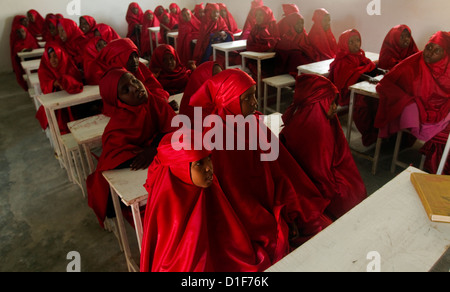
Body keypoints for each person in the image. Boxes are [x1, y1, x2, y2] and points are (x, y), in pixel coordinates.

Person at [189, 69, 332, 263]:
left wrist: (286, 210)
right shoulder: (215, 137)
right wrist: (272, 222)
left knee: (315, 223)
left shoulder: (253, 122)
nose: (255, 103)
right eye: (247, 98)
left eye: (254, 96)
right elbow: (236, 196)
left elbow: (275, 170)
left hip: (266, 197)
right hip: (244, 212)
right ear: (227, 100)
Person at [140, 130, 270, 272]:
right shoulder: (166, 205)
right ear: (180, 167)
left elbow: (229, 236)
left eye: (209, 158)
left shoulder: (210, 187)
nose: (209, 168)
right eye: (199, 164)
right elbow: (171, 262)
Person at [86, 68, 177, 227]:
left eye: (134, 80)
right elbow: (117, 158)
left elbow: (173, 128)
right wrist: (154, 148)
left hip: (148, 161)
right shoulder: (118, 126)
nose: (136, 88)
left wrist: (154, 149)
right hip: (117, 180)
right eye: (126, 90)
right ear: (119, 101)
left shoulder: (154, 102)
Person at [280, 74, 367, 220]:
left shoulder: (325, 119)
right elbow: (321, 178)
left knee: (355, 188)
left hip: (328, 173)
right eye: (332, 103)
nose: (336, 107)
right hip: (314, 182)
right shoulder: (314, 129)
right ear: (319, 104)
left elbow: (341, 153)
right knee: (348, 199)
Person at [375, 31, 450, 174]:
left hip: (442, 109)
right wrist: (408, 100)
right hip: (420, 112)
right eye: (429, 47)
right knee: (444, 137)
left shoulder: (448, 68)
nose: (429, 53)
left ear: (445, 53)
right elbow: (387, 82)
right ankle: (435, 172)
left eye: (437, 50)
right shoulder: (414, 62)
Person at [329, 29, 383, 146]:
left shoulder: (360, 55)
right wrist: (367, 78)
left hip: (359, 89)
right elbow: (350, 76)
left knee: (377, 100)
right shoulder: (342, 60)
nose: (356, 44)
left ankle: (377, 132)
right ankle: (369, 135)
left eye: (357, 40)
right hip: (346, 93)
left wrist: (379, 71)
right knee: (363, 103)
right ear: (344, 44)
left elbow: (370, 66)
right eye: (351, 42)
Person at [95, 38, 170, 105]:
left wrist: (162, 101)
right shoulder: (112, 81)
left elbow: (156, 88)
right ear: (117, 60)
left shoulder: (141, 68)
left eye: (136, 56)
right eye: (129, 58)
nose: (135, 61)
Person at [35, 43, 83, 134]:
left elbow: (77, 82)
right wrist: (54, 83)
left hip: (73, 102)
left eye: (55, 56)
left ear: (61, 57)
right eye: (50, 57)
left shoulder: (68, 66)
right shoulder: (44, 70)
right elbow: (45, 88)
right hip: (56, 104)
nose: (52, 60)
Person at [275, 10, 319, 74]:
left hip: (307, 68)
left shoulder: (304, 37)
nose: (300, 25)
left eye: (302, 23)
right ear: (291, 24)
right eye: (298, 23)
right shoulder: (286, 40)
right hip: (294, 70)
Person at [10, 18, 39, 91]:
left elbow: (35, 46)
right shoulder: (17, 42)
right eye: (18, 32)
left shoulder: (30, 38)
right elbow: (16, 50)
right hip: (24, 62)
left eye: (22, 31)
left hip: (34, 59)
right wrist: (24, 50)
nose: (21, 34)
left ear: (26, 31)